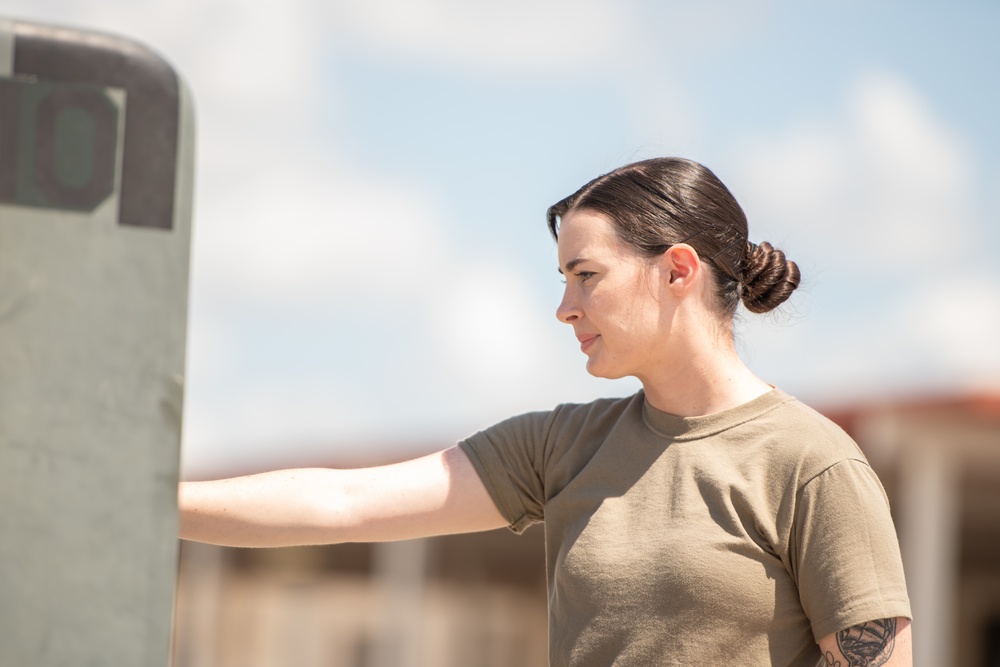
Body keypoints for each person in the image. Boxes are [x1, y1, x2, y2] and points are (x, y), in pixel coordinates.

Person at [180, 157, 912, 666]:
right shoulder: (561, 448)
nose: (565, 308)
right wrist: (148, 500)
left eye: (586, 276)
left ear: (678, 270)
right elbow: (342, 501)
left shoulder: (814, 465)